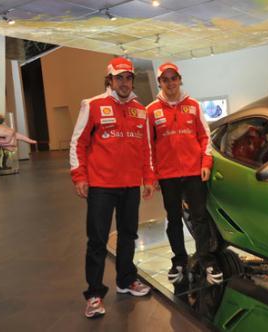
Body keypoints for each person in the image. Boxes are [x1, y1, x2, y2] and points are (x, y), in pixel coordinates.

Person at [70, 57, 155, 319]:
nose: (124, 82)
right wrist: (79, 176)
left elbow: (146, 148)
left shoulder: (140, 109)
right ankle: (94, 294)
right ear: (110, 80)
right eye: (119, 78)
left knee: (128, 235)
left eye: (128, 77)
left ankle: (126, 280)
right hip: (101, 186)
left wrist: (149, 177)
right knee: (97, 241)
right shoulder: (92, 105)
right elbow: (77, 143)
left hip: (130, 185)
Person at [146, 62, 223, 286]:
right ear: (159, 82)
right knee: (173, 220)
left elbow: (205, 137)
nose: (170, 83)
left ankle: (206, 260)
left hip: (193, 173)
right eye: (165, 79)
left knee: (200, 218)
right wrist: (152, 175)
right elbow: (148, 146)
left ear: (180, 80)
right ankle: (178, 260)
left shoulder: (194, 106)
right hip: (168, 176)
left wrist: (206, 162)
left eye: (173, 78)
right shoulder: (151, 110)